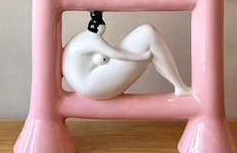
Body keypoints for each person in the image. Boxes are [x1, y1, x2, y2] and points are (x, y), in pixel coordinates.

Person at [62, 11, 190, 100]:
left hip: (89, 81)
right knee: (148, 33)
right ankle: (179, 86)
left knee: (147, 32)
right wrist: (142, 56)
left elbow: (102, 57)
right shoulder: (93, 39)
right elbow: (115, 54)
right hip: (93, 85)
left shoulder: (81, 39)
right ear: (97, 28)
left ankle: (179, 85)